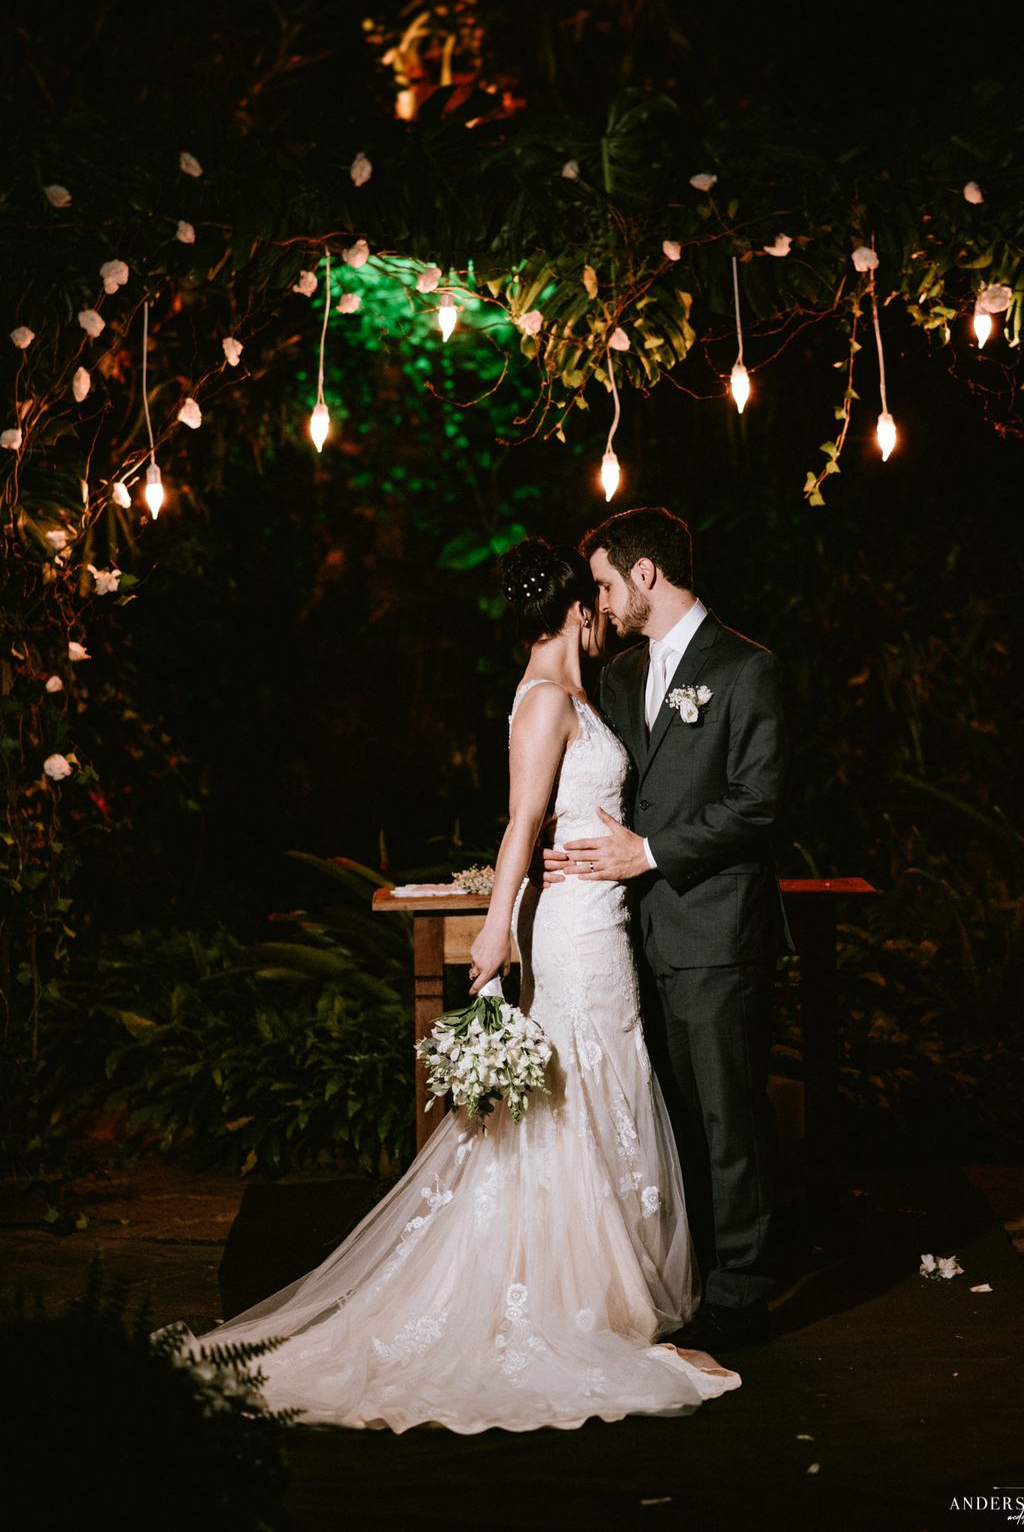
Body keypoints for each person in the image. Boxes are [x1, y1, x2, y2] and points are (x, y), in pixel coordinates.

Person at [193, 538, 737, 1433]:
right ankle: (563, 1298)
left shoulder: (575, 694)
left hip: (602, 917)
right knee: (575, 1086)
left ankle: (594, 1286)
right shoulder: (542, 701)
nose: (606, 613)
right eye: (595, 601)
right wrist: (495, 929)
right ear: (575, 611)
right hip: (569, 930)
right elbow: (521, 823)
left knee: (602, 1080)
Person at [545, 507, 790, 1353]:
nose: (602, 603)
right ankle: (685, 1275)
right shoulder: (616, 681)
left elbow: (758, 802)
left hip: (716, 930)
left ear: (646, 575)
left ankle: (743, 1287)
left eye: (608, 584)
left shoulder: (747, 670)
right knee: (667, 1120)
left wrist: (648, 851)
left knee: (730, 1119)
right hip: (626, 938)